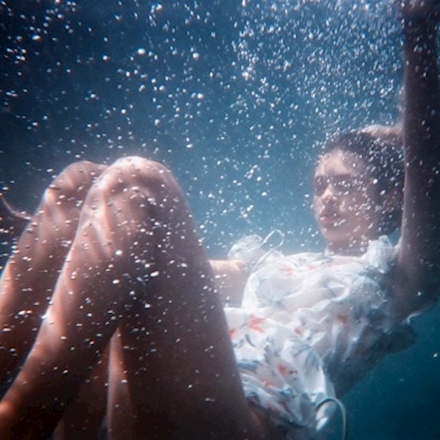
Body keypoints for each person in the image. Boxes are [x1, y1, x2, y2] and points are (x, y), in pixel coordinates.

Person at [0, 1, 439, 439]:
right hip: (165, 387)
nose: (326, 197)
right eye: (319, 185)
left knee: (139, 185)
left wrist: (417, 30)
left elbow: (426, 162)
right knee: (80, 185)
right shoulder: (276, 265)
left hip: (247, 421)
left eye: (344, 184)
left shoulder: (397, 278)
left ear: (389, 197)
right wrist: (54, 233)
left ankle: (19, 424)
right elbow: (143, 260)